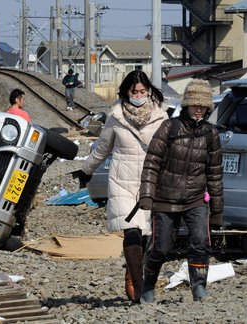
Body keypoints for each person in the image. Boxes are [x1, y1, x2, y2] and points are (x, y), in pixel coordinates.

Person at [73, 70, 167, 303]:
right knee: (132, 231)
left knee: (146, 234)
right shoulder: (115, 116)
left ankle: (132, 270)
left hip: (149, 181)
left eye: (142, 91)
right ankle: (139, 286)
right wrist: (86, 170)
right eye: (134, 91)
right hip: (122, 181)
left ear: (149, 91)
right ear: (126, 91)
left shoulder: (161, 116)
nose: (138, 95)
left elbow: (169, 149)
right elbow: (103, 148)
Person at [138, 78, 224, 303]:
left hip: (196, 199)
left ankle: (199, 287)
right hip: (165, 199)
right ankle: (148, 285)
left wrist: (216, 210)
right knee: (161, 248)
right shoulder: (169, 127)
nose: (199, 109)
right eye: (195, 104)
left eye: (203, 106)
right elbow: (152, 162)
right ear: (186, 105)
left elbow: (214, 173)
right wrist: (147, 194)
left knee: (200, 242)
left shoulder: (210, 134)